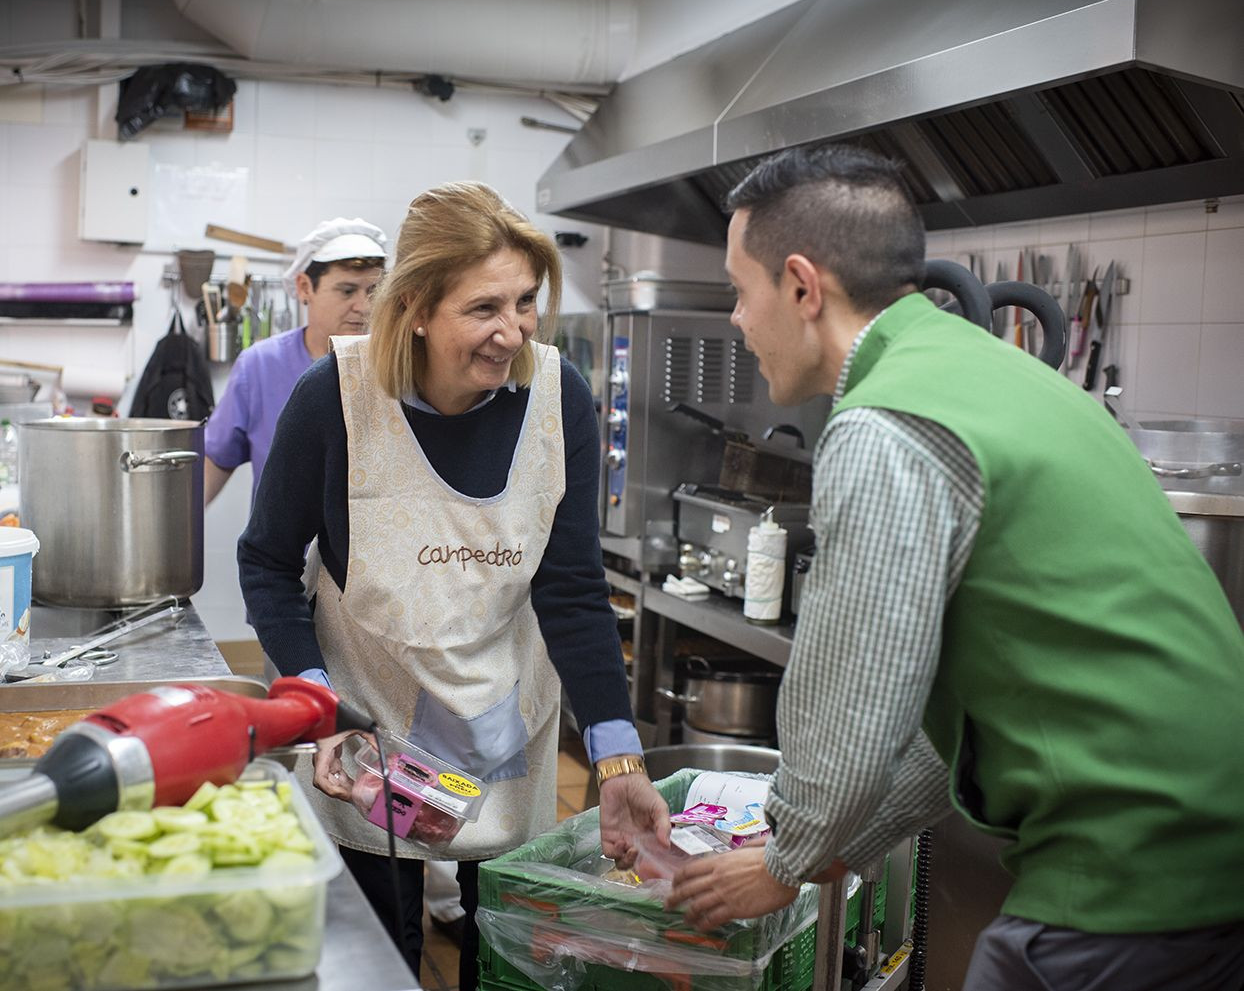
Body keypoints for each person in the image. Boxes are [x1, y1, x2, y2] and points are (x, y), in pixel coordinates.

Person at [663, 144, 1244, 990]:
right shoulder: (1001, 376)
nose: (736, 320)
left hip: (1127, 863)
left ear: (800, 285)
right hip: (1208, 849)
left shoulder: (885, 423)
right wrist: (838, 846)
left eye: (740, 290)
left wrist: (787, 856)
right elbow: (955, 717)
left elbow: (855, 700)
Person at [239, 181, 669, 989]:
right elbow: (266, 560)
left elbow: (573, 589)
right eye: (483, 309)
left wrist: (618, 760)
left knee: (507, 954)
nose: (512, 332)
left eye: (527, 302)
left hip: (508, 726)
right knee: (378, 962)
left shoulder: (557, 397)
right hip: (371, 735)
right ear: (417, 310)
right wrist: (316, 699)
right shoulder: (333, 398)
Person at [203, 217, 388, 506]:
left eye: (373, 291)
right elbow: (214, 461)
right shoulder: (261, 366)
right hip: (283, 551)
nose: (364, 307)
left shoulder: (395, 366)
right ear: (304, 287)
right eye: (347, 290)